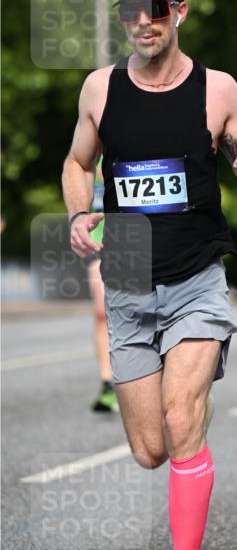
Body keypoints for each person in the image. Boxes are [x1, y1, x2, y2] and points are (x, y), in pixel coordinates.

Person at [63, 0, 237, 550]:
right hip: (127, 284)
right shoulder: (101, 90)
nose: (144, 22)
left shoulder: (218, 90)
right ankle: (185, 430)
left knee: (183, 416)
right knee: (149, 449)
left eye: (156, 9)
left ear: (179, 13)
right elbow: (77, 164)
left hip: (196, 278)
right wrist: (78, 215)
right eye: (132, 12)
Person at [88, 158, 117, 412]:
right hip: (101, 244)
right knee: (101, 313)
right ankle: (108, 383)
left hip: (138, 241)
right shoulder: (89, 148)